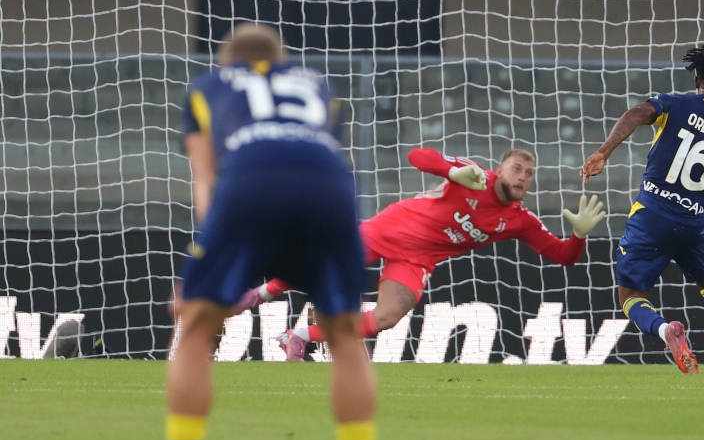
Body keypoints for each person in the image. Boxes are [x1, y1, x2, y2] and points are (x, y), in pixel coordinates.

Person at [144, 23, 381, 440]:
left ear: (225, 61)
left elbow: (205, 177)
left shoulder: (208, 86)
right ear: (283, 60)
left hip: (248, 184)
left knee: (195, 327)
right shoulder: (318, 84)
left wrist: (209, 260)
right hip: (330, 191)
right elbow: (319, 151)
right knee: (343, 335)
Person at [234, 148, 607, 360]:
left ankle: (298, 336)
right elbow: (417, 155)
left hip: (417, 259)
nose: (523, 176)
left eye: (529, 172)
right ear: (500, 170)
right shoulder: (474, 176)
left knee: (388, 316)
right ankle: (257, 294)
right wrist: (451, 171)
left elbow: (563, 257)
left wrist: (578, 235)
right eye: (516, 168)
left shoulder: (519, 220)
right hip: (394, 227)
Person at [581, 38, 704, 375]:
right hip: (693, 225)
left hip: (651, 216)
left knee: (630, 295)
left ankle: (667, 330)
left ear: (697, 81)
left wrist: (604, 151)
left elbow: (636, 114)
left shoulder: (674, 104)